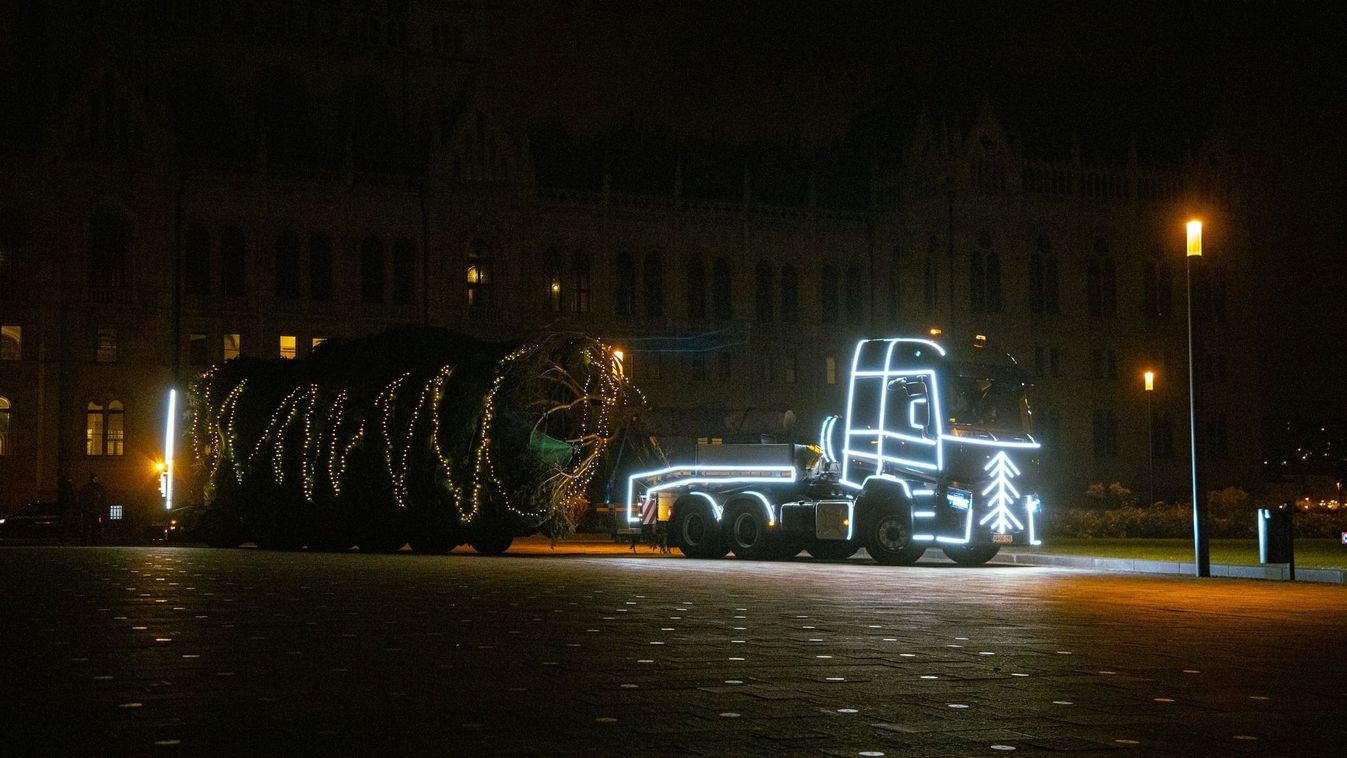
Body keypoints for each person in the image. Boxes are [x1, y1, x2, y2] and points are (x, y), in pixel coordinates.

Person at [78, 473, 106, 545]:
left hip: (89, 510)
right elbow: (103, 499)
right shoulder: (99, 488)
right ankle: (93, 541)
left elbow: (81, 499)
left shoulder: (86, 488)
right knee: (95, 526)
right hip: (94, 510)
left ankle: (85, 541)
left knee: (87, 526)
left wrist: (83, 508)